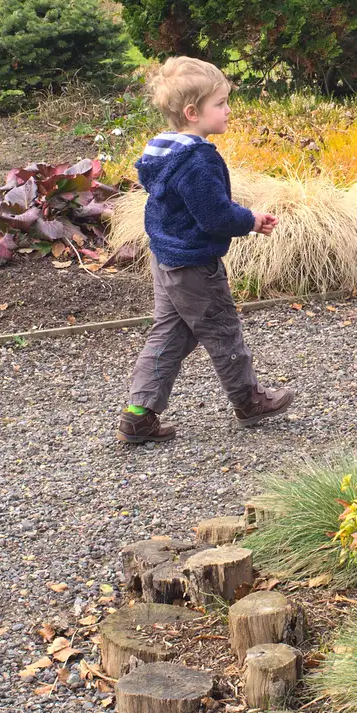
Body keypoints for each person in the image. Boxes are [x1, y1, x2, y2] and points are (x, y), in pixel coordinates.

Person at [117, 57, 294, 444]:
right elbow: (214, 216)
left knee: (168, 336)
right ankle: (248, 401)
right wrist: (250, 220)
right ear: (192, 112)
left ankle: (138, 415)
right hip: (195, 264)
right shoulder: (197, 160)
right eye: (221, 103)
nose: (228, 110)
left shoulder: (162, 153)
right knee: (223, 331)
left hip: (166, 260)